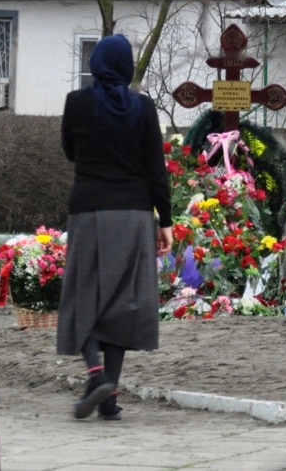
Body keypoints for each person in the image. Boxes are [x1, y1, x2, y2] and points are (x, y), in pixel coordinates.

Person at [56, 34, 173, 421]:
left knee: (82, 294)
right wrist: (166, 221)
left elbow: (70, 151)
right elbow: (156, 168)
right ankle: (108, 397)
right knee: (123, 303)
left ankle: (95, 376)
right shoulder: (143, 108)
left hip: (89, 211)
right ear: (126, 67)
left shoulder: (77, 102)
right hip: (135, 214)